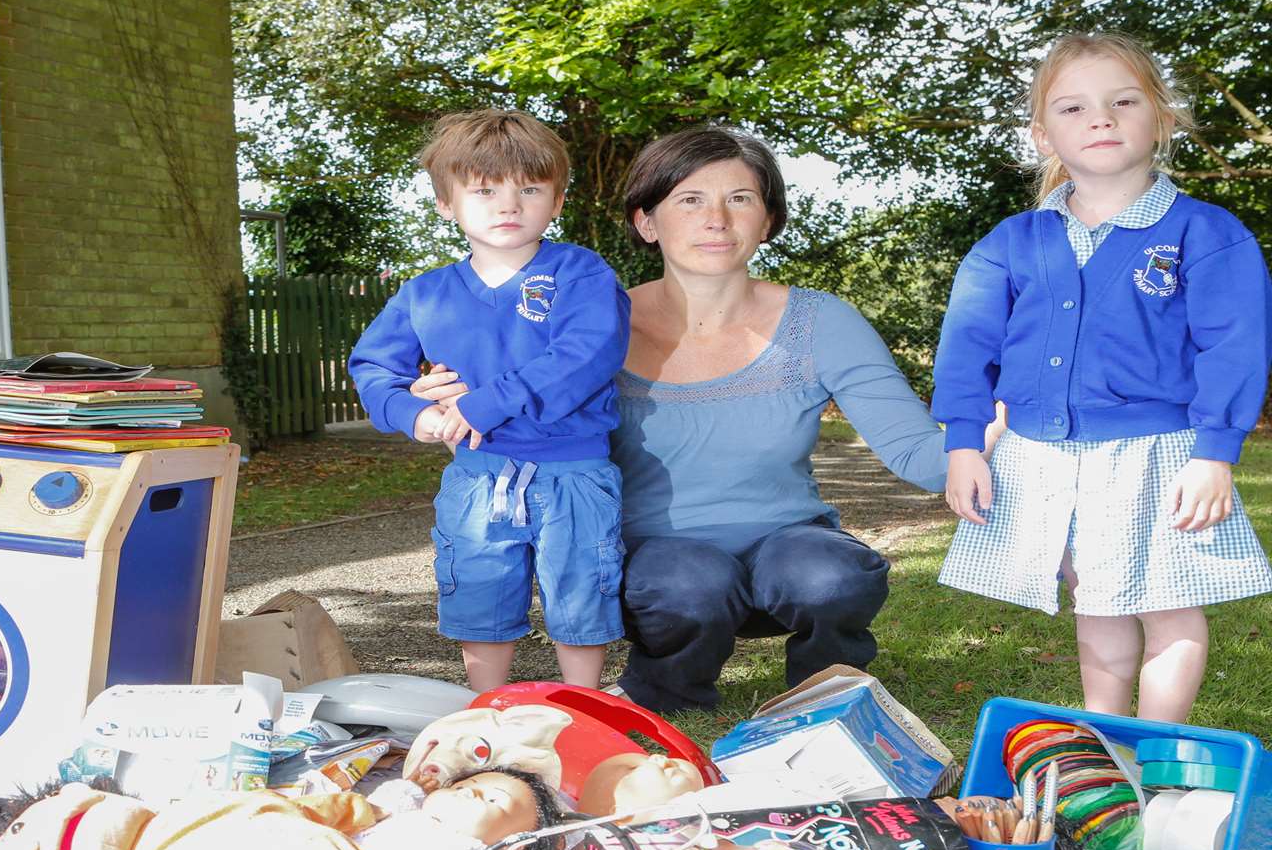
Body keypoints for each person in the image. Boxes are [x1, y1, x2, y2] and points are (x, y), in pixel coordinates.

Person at [414, 125, 951, 713]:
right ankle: (664, 690)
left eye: (740, 198)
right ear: (647, 221)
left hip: (788, 544)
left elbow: (915, 451)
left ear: (767, 219)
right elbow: (501, 433)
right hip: (654, 563)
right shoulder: (587, 325)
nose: (716, 218)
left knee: (829, 575)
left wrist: (993, 447)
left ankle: (830, 689)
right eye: (689, 199)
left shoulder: (821, 321)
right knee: (687, 582)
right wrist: (440, 404)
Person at [932, 33, 1271, 723]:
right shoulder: (1012, 242)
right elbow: (968, 347)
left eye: (1123, 101)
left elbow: (1233, 347)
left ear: (1163, 118)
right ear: (1043, 135)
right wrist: (964, 442)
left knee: (1168, 606)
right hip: (1046, 457)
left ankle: (1159, 748)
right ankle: (1108, 740)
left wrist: (1214, 452)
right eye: (1074, 108)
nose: (1101, 119)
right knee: (1097, 601)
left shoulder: (1206, 233)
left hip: (1161, 453)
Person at [348, 109, 631, 691]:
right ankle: (488, 708)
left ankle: (584, 706)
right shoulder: (426, 293)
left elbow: (585, 354)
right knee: (479, 591)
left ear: (556, 202)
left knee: (580, 593)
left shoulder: (582, 275)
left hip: (573, 471)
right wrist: (416, 413)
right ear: (447, 204)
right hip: (477, 475)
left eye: (529, 189)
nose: (508, 206)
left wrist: (484, 405)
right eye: (484, 191)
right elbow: (373, 365)